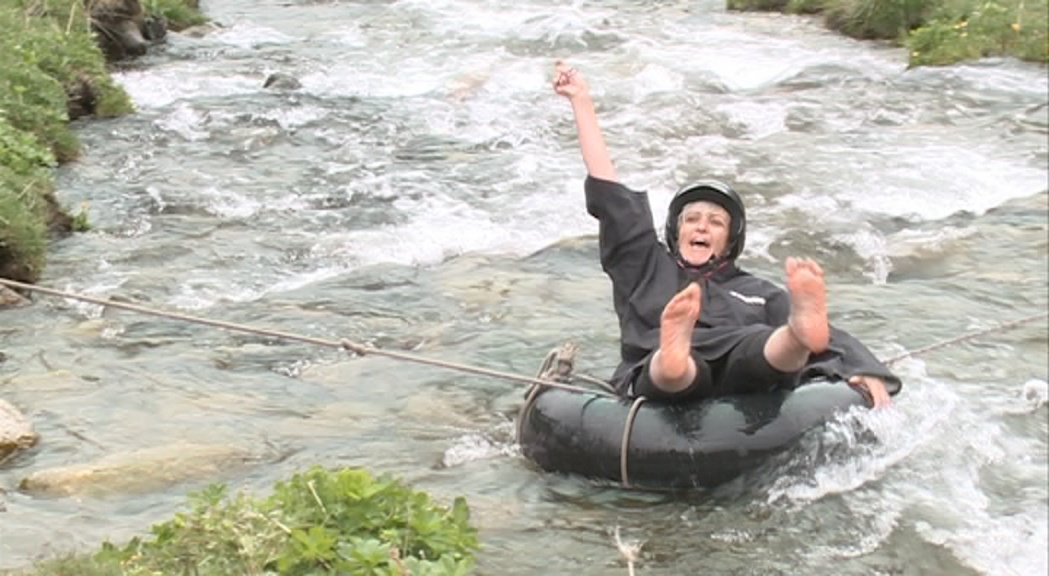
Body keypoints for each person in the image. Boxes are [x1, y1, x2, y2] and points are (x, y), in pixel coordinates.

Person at [551, 61, 900, 407]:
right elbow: (612, 195)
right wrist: (582, 101)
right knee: (674, 369)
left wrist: (862, 367)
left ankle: (794, 336)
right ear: (676, 231)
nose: (702, 226)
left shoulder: (759, 293)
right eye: (692, 219)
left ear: (731, 240)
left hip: (744, 363)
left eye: (716, 222)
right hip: (659, 367)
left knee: (764, 347)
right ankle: (675, 352)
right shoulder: (646, 264)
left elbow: (830, 336)